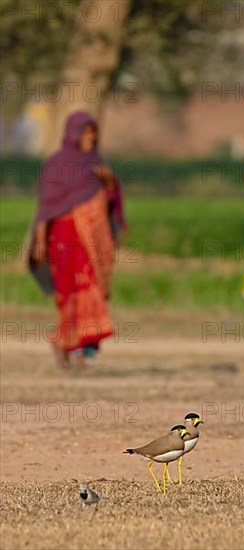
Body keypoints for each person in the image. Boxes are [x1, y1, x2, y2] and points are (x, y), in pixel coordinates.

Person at [29, 111, 126, 370]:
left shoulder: (97, 163)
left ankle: (84, 353)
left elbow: (109, 201)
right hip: (63, 238)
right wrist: (39, 242)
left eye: (93, 132)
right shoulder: (55, 165)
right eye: (85, 133)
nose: (90, 138)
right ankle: (62, 343)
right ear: (72, 134)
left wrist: (109, 182)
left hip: (92, 242)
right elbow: (45, 209)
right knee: (69, 293)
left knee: (92, 291)